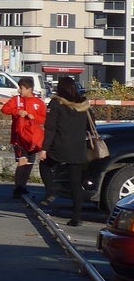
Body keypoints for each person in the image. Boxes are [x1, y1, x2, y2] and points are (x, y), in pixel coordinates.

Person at [41, 75, 91, 226]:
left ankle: (52, 190)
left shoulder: (56, 104)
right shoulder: (83, 105)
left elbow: (50, 129)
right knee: (76, 183)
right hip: (78, 148)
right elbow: (91, 126)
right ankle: (77, 218)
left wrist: (44, 149)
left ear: (60, 88)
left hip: (60, 146)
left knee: (44, 165)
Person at [0, 76, 47, 199]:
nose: (19, 91)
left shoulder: (38, 103)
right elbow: (4, 109)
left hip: (32, 138)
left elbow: (44, 119)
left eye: (21, 88)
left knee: (29, 163)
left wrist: (34, 117)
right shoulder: (16, 100)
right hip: (19, 137)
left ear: (29, 89)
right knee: (22, 161)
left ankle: (23, 186)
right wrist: (17, 111)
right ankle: (18, 187)